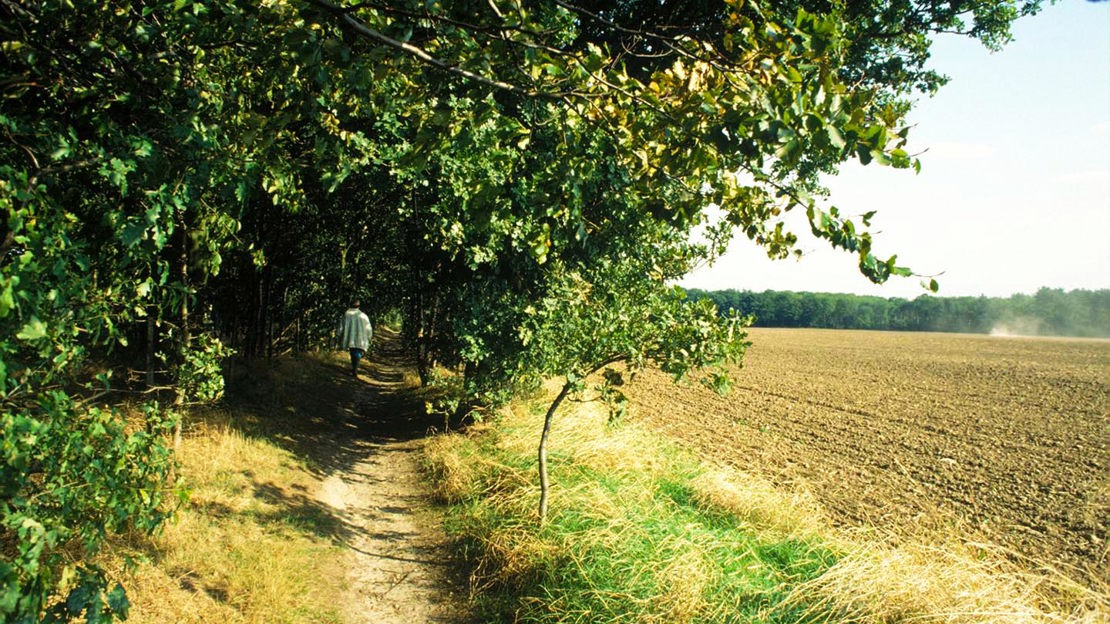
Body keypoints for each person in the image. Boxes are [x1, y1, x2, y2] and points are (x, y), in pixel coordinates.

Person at [337, 300, 372, 376]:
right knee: (357, 352)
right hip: (361, 339)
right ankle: (355, 368)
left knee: (353, 353)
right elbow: (369, 328)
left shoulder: (347, 314)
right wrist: (369, 337)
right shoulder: (364, 316)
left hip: (351, 338)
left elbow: (341, 326)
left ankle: (354, 368)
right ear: (359, 306)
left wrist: (338, 335)